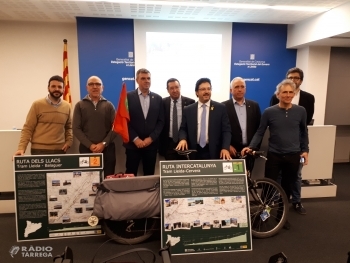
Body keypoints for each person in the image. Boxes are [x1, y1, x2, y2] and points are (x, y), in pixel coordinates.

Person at [242, 79, 309, 230]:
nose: (288, 95)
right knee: (268, 189)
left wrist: (305, 150)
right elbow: (260, 132)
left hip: (293, 156)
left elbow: (304, 132)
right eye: (284, 92)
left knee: (287, 188)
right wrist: (251, 147)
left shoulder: (301, 111)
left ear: (294, 93)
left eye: (290, 92)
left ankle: (281, 217)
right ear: (278, 94)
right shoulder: (269, 112)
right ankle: (264, 216)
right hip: (274, 155)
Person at [270, 67, 315, 215]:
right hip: (276, 150)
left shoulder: (307, 99)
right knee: (277, 179)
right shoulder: (274, 100)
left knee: (296, 177)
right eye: (290, 77)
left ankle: (296, 202)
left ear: (301, 81)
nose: (293, 80)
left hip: (295, 150)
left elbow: (304, 126)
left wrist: (304, 149)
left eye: (296, 78)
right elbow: (273, 120)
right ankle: (276, 205)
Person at [14, 75, 73, 156]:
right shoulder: (37, 105)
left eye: (59, 87)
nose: (56, 89)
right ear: (48, 88)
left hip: (60, 150)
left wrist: (69, 141)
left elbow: (69, 127)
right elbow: (28, 128)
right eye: (53, 86)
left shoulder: (67, 106)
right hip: (39, 150)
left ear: (63, 89)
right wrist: (21, 148)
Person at [176, 78, 231, 160]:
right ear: (196, 92)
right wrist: (183, 139)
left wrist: (225, 148)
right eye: (203, 89)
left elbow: (226, 131)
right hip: (194, 151)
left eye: (209, 89)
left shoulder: (220, 108)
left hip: (214, 152)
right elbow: (183, 129)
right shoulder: (188, 110)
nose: (206, 91)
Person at [72, 76, 116, 177]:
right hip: (86, 149)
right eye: (91, 84)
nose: (95, 87)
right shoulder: (80, 105)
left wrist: (103, 144)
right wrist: (90, 145)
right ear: (86, 87)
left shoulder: (109, 105)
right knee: (88, 180)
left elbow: (115, 128)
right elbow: (76, 128)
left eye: (98, 84)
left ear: (102, 88)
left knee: (108, 178)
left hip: (107, 149)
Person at [123, 68, 164, 176]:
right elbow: (124, 121)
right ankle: (130, 193)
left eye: (148, 78)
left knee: (149, 175)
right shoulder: (127, 97)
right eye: (143, 78)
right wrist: (136, 139)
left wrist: (150, 139)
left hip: (151, 145)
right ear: (137, 80)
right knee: (130, 174)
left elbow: (161, 122)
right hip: (133, 145)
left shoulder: (158, 99)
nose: (147, 81)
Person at [222, 77, 261, 157]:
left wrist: (252, 147)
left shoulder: (254, 106)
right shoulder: (223, 106)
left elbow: (259, 129)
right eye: (236, 87)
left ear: (245, 89)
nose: (240, 90)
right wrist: (227, 145)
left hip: (249, 150)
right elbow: (219, 129)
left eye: (242, 87)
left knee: (249, 170)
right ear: (230, 90)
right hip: (231, 151)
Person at [159, 78, 195, 160]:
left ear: (180, 87)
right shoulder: (162, 103)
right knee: (170, 170)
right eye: (171, 88)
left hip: (185, 142)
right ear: (167, 90)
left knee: (185, 169)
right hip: (169, 143)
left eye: (177, 87)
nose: (175, 90)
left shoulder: (190, 102)